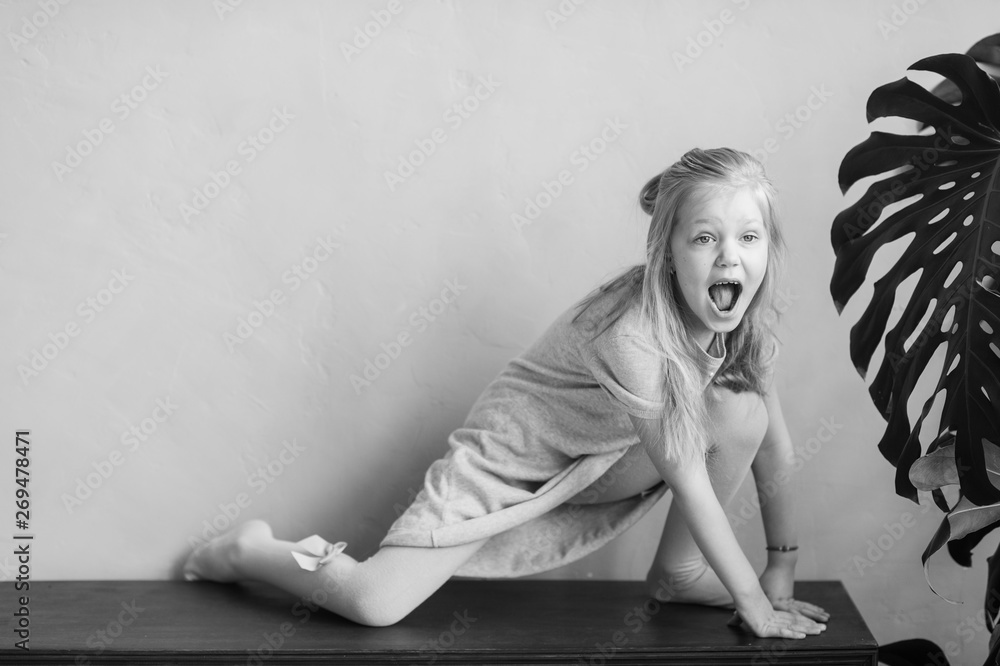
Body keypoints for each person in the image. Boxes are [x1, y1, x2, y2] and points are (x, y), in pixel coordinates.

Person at [183, 147, 829, 639]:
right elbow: (687, 477)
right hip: (513, 456)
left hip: (603, 456)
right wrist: (754, 607)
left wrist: (781, 571)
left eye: (748, 239)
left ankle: (680, 573)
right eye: (705, 238)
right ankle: (253, 550)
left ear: (767, 249)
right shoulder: (630, 335)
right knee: (375, 604)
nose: (728, 260)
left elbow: (774, 451)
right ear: (667, 253)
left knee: (742, 411)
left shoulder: (748, 328)